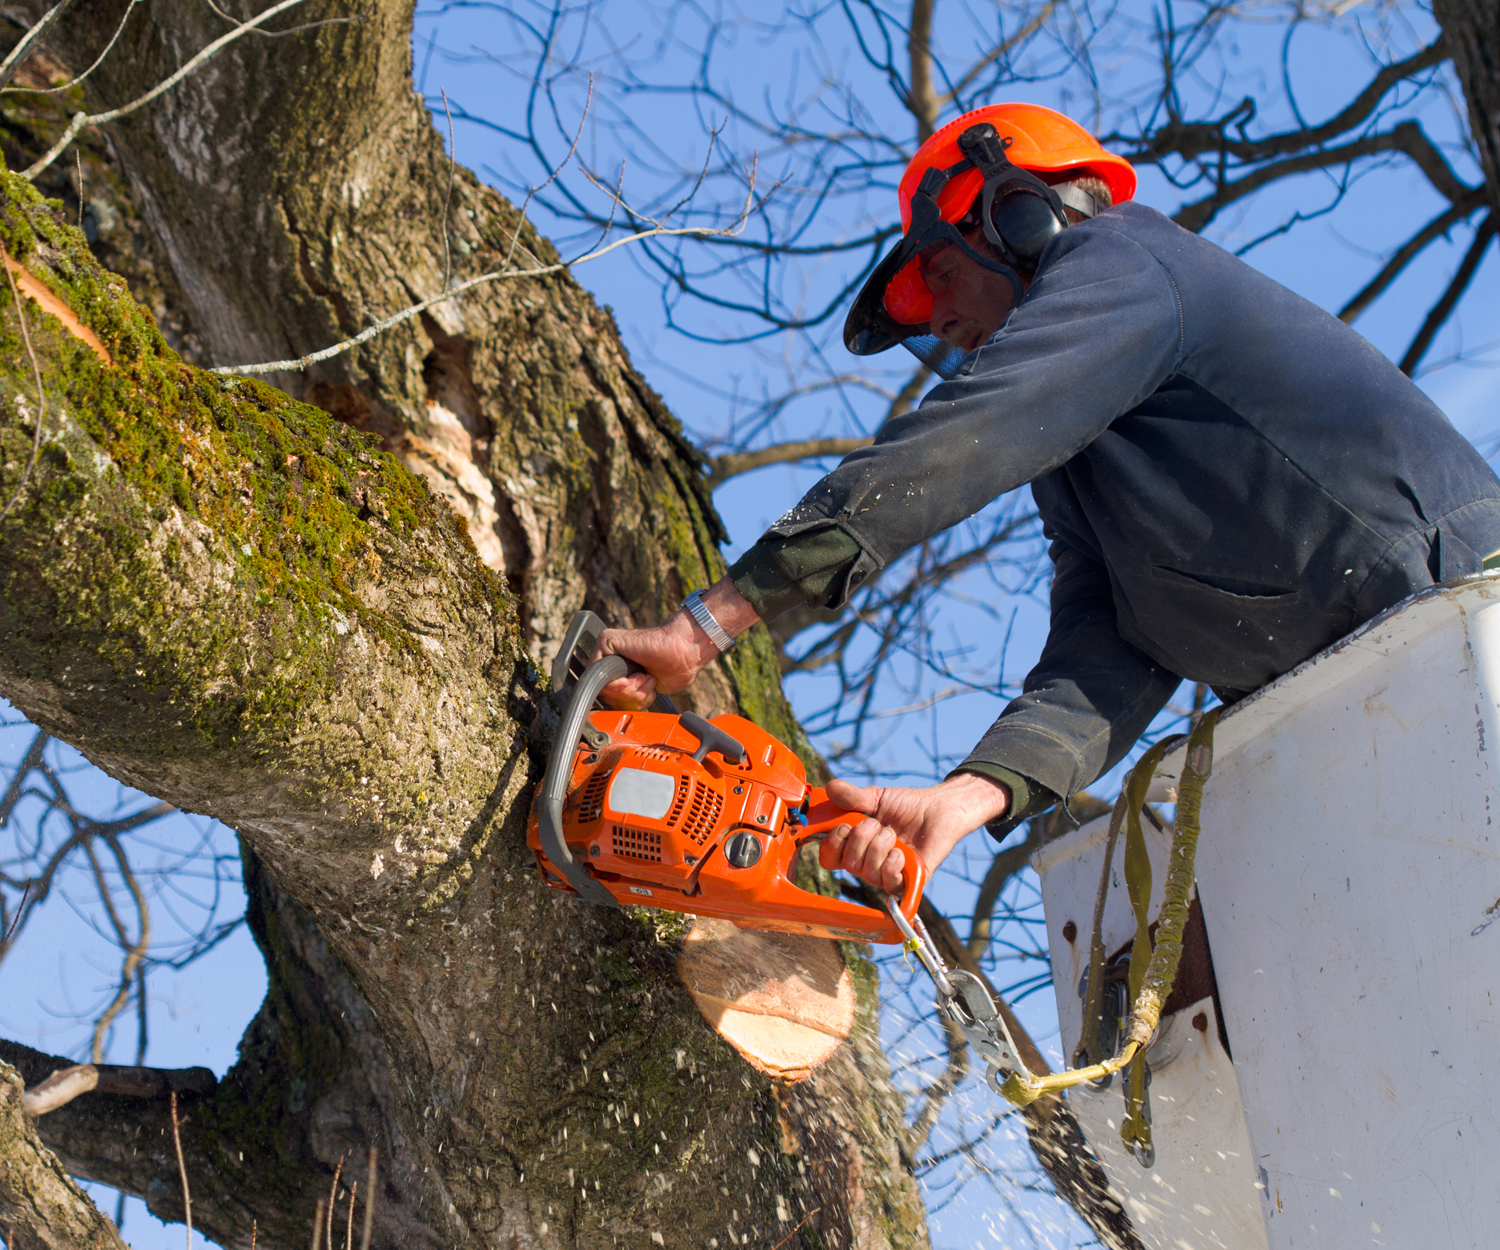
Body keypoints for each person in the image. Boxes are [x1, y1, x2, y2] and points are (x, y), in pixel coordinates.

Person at [594, 103, 1500, 896]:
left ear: (1016, 213)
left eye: (940, 274)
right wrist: (970, 794)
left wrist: (706, 625)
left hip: (1463, 617)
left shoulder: (1129, 262)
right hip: (1373, 712)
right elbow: (1111, 648)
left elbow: (965, 437)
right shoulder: (1084, 461)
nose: (938, 320)